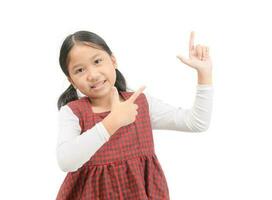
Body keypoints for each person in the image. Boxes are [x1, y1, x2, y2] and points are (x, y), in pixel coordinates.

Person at [55, 30, 214, 200]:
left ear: (113, 60)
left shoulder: (140, 104)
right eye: (79, 70)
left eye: (97, 61)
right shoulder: (73, 112)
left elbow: (196, 123)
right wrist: (113, 122)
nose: (92, 75)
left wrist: (204, 73)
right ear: (71, 80)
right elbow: (66, 161)